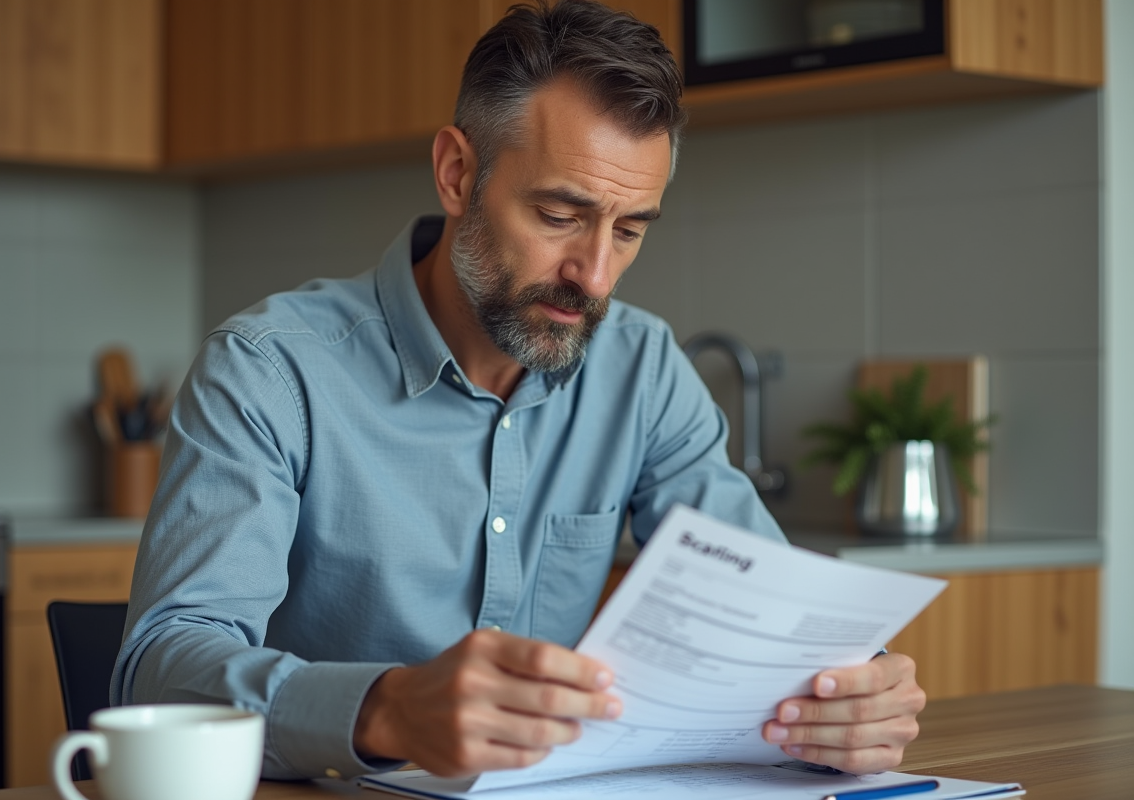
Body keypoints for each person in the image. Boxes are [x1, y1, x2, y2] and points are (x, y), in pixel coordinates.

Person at [112, 0, 925, 784]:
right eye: (560, 214)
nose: (595, 276)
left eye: (631, 229)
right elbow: (161, 669)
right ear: (458, 172)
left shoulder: (642, 369)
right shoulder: (267, 371)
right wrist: (385, 710)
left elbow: (765, 612)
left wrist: (849, 695)